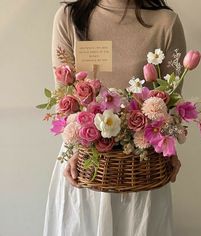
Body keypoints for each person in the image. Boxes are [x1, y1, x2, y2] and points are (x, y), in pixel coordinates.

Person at [43, 0, 186, 235]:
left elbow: (171, 101)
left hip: (140, 171)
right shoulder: (69, 18)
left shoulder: (165, 24)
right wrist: (74, 146)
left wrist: (170, 145)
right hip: (85, 167)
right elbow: (65, 97)